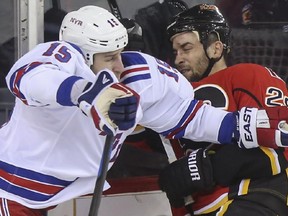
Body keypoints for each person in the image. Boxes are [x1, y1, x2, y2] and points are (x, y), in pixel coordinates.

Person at [1, 5, 288, 216]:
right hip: (11, 191)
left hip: (49, 197)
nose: (120, 66)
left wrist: (240, 125)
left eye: (120, 54)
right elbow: (27, 78)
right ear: (84, 57)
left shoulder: (136, 75)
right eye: (110, 58)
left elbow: (188, 116)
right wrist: (86, 93)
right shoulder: (59, 61)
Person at [159, 3, 288, 216]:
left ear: (215, 48)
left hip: (252, 201)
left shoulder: (248, 75)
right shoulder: (174, 96)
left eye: (187, 48)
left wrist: (210, 166)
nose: (178, 58)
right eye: (176, 51)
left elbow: (278, 142)